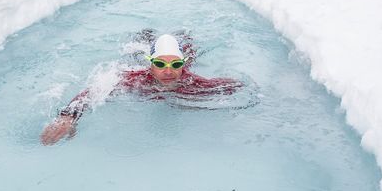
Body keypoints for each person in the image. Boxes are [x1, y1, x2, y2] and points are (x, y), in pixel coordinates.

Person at [39, 34, 242, 145]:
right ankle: (146, 37)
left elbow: (234, 86)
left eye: (176, 65)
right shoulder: (137, 78)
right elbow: (95, 90)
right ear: (150, 64)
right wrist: (68, 116)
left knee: (188, 45)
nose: (169, 71)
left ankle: (184, 40)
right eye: (160, 65)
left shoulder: (194, 83)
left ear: (183, 65)